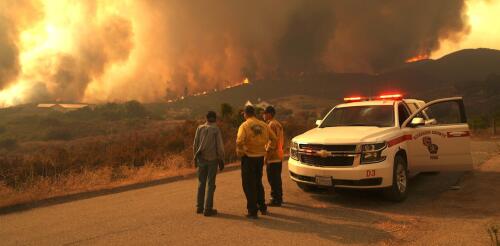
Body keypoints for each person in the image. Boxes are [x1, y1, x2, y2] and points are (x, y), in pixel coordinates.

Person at [236, 105, 277, 219]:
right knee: (258, 182)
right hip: (260, 157)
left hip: (249, 157)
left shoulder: (244, 125)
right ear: (254, 113)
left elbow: (239, 141)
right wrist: (268, 150)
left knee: (248, 184)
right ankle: (262, 206)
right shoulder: (264, 125)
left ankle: (252, 210)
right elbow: (274, 138)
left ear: (245, 114)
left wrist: (242, 152)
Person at [193, 111, 225, 217]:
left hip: (201, 159)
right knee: (211, 184)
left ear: (206, 118)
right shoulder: (215, 129)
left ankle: (199, 207)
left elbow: (195, 144)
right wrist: (221, 159)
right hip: (212, 160)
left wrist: (195, 159)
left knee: (201, 183)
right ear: (215, 118)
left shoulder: (200, 128)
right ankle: (208, 209)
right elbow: (220, 147)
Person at [263, 106, 284, 207]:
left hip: (273, 156)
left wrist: (267, 156)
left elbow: (272, 142)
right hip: (279, 155)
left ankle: (275, 199)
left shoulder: (271, 125)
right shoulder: (278, 124)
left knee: (272, 178)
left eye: (265, 113)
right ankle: (279, 197)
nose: (263, 115)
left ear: (269, 114)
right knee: (277, 178)